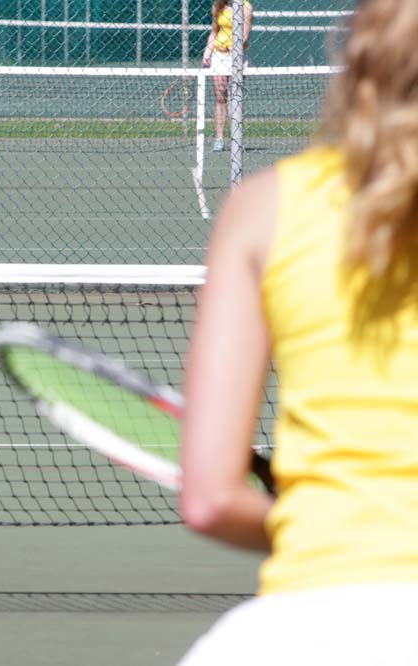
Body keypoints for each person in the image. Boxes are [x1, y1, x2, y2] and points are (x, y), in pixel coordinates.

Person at [179, 0, 418, 663]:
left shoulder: (263, 210)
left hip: (307, 622)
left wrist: (326, 528)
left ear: (358, 60)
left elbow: (211, 500)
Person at [201, 0, 253, 152]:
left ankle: (237, 138)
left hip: (237, 56)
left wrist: (233, 47)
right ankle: (219, 139)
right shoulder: (218, 6)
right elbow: (214, 31)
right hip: (219, 57)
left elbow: (245, 34)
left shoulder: (246, 7)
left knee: (236, 97)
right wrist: (207, 53)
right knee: (220, 96)